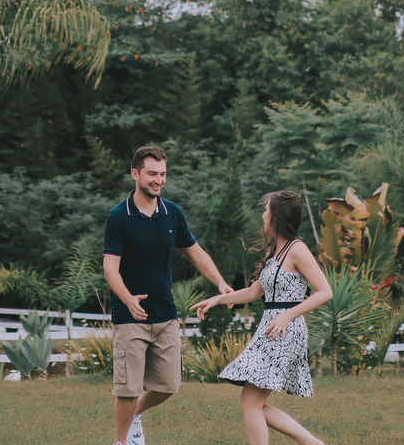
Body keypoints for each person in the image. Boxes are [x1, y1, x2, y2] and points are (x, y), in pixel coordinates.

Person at [103, 145, 233, 445]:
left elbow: (195, 252)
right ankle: (121, 442)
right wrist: (127, 298)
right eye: (152, 174)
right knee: (128, 389)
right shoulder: (119, 216)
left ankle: (135, 416)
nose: (158, 180)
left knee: (169, 385)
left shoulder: (172, 213)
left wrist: (220, 282)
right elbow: (110, 268)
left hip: (165, 314)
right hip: (130, 316)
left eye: (162, 174)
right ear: (135, 174)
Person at [191, 190, 333, 445]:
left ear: (277, 216)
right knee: (252, 402)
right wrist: (217, 299)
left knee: (251, 402)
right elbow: (253, 292)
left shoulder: (297, 249)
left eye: (266, 210)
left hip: (285, 330)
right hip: (270, 328)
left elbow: (325, 292)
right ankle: (313, 443)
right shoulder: (275, 251)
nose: (263, 215)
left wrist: (287, 316)